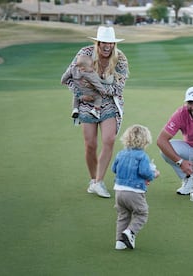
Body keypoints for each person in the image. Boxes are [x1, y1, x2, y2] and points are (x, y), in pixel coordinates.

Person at [61, 26, 129, 198]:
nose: (107, 46)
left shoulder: (120, 58)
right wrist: (81, 94)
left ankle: (99, 181)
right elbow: (69, 78)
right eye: (104, 42)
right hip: (86, 102)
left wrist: (100, 88)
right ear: (97, 42)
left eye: (111, 43)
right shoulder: (84, 53)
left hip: (110, 103)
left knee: (109, 140)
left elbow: (119, 87)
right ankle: (93, 180)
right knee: (90, 144)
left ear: (114, 44)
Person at [112, 124, 160, 250]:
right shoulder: (142, 156)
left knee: (123, 215)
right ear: (145, 140)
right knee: (142, 213)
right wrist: (153, 174)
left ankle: (119, 242)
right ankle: (130, 232)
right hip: (134, 191)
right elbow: (144, 172)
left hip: (119, 190)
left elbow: (114, 169)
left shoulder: (120, 154)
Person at [61, 54, 105, 120]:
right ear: (83, 68)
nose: (92, 68)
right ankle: (95, 110)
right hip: (90, 92)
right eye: (91, 67)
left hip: (79, 91)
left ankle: (75, 109)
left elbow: (65, 75)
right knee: (98, 97)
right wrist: (103, 91)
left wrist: (63, 81)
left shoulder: (73, 69)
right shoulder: (89, 74)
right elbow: (97, 84)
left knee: (75, 97)